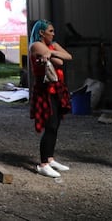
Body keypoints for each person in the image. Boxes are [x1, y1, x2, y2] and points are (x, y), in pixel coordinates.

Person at [29, 19, 73, 178]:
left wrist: (52, 51)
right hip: (45, 90)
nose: (53, 34)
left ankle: (50, 158)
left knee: (55, 124)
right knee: (51, 124)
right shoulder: (36, 45)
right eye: (51, 31)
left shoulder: (51, 45)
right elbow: (60, 61)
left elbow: (68, 56)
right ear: (41, 33)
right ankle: (43, 164)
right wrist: (55, 53)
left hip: (56, 89)